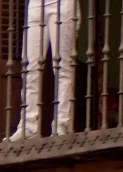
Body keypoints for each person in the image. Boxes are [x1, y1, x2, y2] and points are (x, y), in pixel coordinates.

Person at [12, 0, 78, 139]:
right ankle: (28, 126)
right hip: (36, 4)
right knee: (30, 69)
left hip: (63, 3)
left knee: (61, 66)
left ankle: (62, 122)